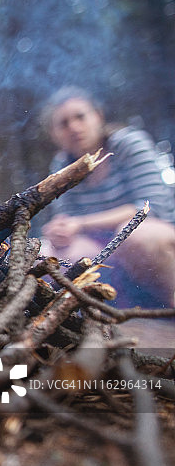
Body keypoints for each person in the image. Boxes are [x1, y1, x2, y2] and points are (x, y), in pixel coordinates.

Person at [40, 86, 175, 308]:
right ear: (54, 134)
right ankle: (108, 312)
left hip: (153, 243)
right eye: (63, 123)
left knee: (136, 237)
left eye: (80, 117)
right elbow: (68, 220)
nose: (74, 127)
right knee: (48, 257)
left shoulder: (127, 144)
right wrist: (60, 231)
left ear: (98, 116)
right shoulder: (63, 165)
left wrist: (80, 223)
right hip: (106, 250)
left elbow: (150, 208)